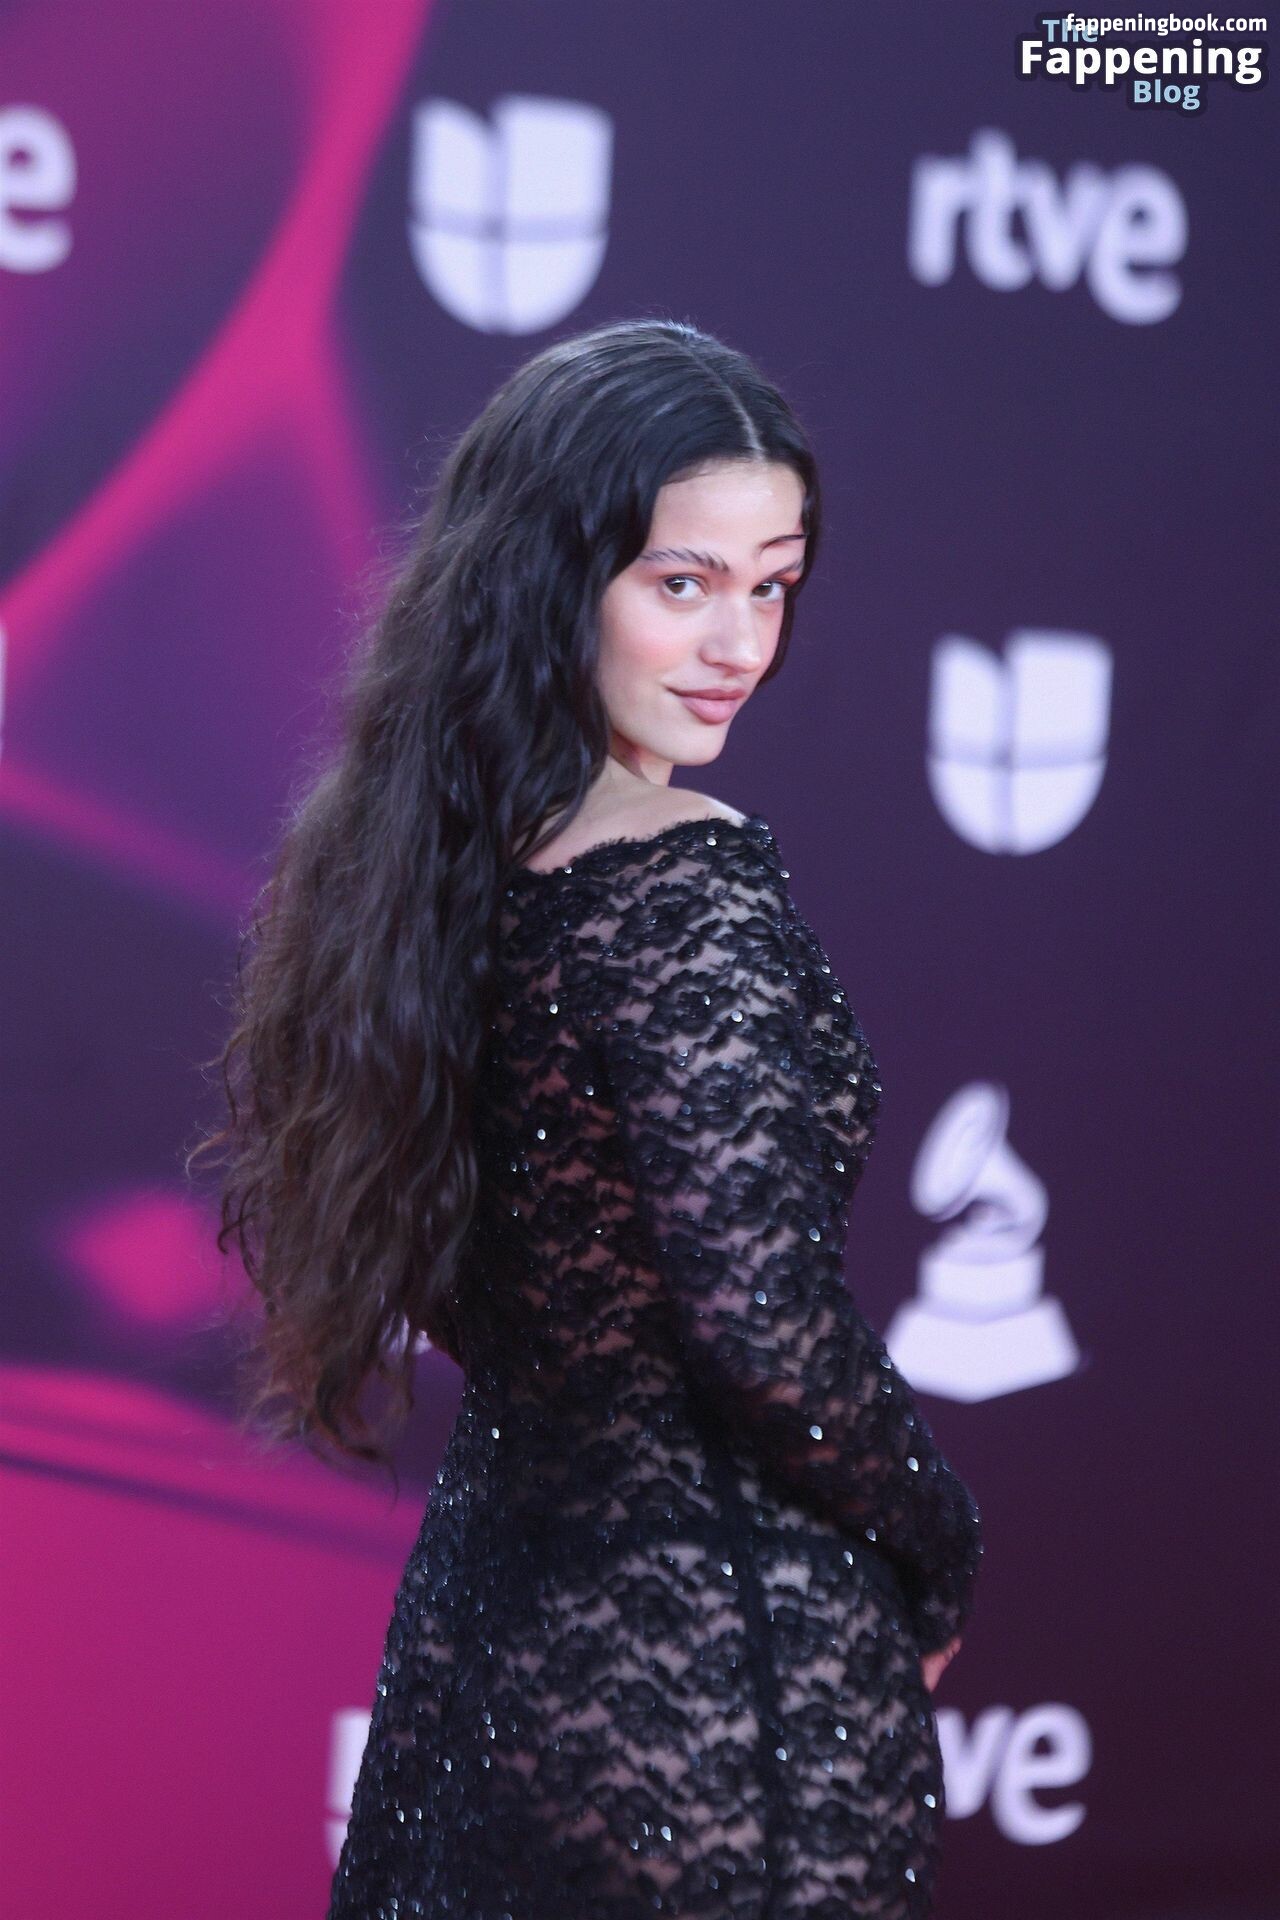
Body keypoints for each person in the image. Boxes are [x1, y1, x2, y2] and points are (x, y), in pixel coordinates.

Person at [190, 316, 982, 1918]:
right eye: (682, 584)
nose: (737, 643)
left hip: (490, 1654)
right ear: (555, 579)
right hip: (727, 1683)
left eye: (773, 587)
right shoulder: (679, 878)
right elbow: (759, 1323)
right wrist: (938, 1536)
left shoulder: (421, 873)